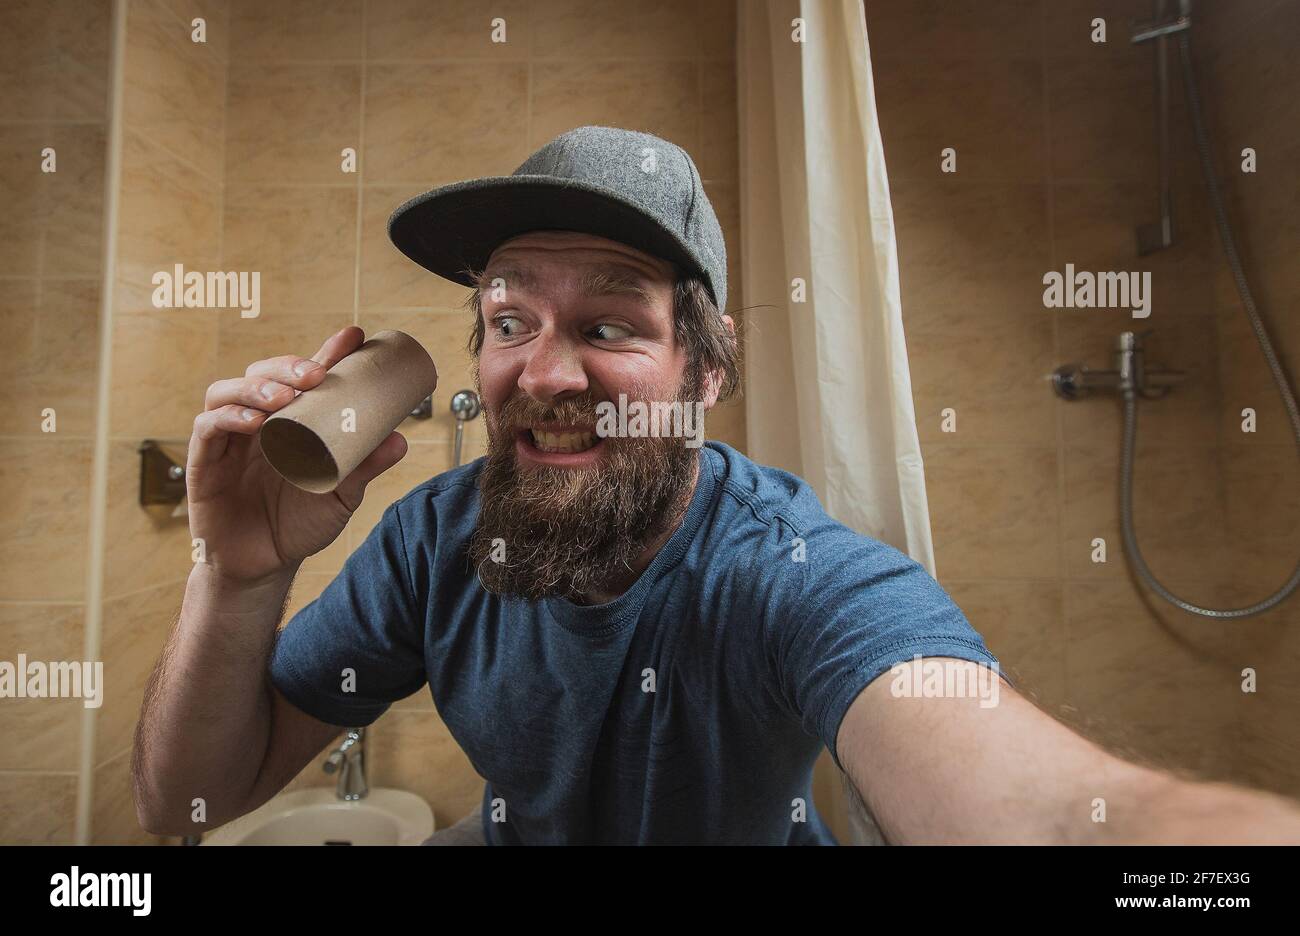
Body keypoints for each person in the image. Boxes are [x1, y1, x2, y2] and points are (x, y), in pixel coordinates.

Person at [134, 127, 1300, 845]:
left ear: (709, 365)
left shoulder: (790, 578)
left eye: (608, 321)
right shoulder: (433, 541)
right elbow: (183, 807)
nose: (544, 371)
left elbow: (1043, 817)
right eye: (507, 318)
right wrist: (240, 575)